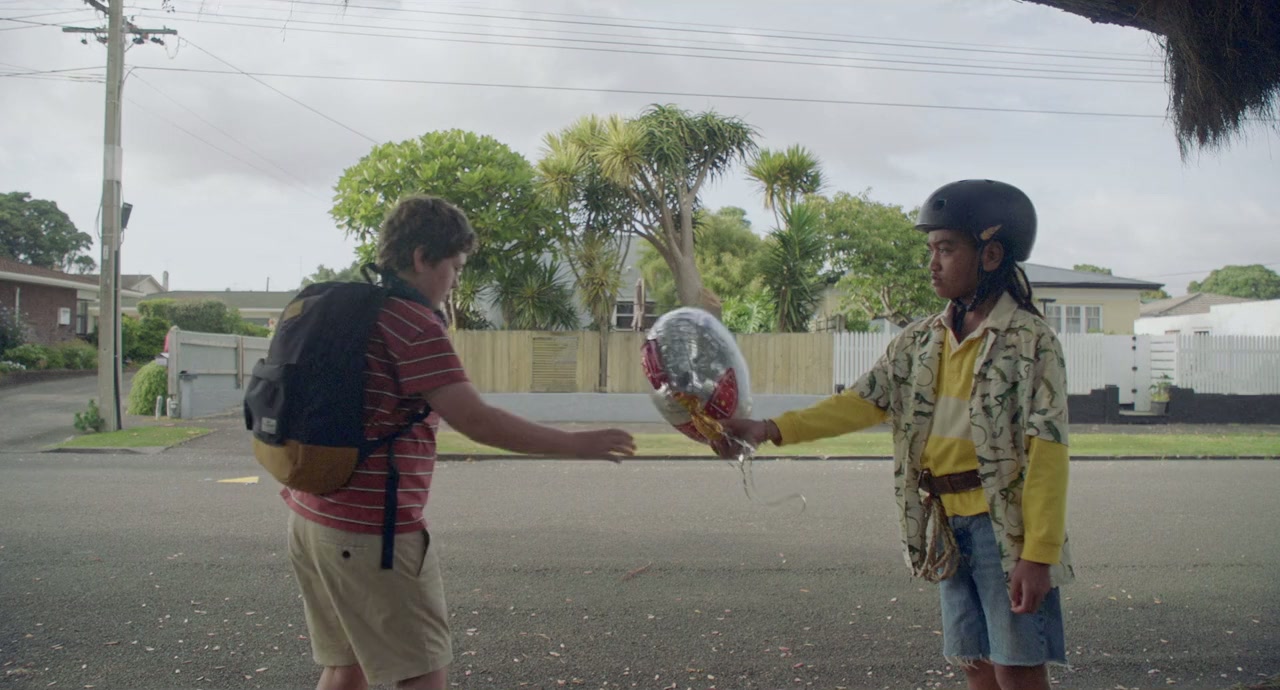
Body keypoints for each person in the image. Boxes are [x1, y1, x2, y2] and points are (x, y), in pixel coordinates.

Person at [715, 179, 1072, 690]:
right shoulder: (919, 341)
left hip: (1003, 530)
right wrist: (769, 429)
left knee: (1017, 665)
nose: (932, 263)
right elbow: (859, 402)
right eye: (931, 249)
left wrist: (1038, 554)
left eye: (946, 248)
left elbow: (1048, 452)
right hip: (944, 524)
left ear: (991, 254)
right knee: (974, 659)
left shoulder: (1032, 342)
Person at [283, 195, 636, 690]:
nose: (454, 281)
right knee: (422, 675)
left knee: (346, 669)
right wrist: (575, 444)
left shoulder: (357, 313)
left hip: (311, 516)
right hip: (372, 534)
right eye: (455, 267)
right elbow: (477, 420)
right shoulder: (413, 324)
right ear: (422, 258)